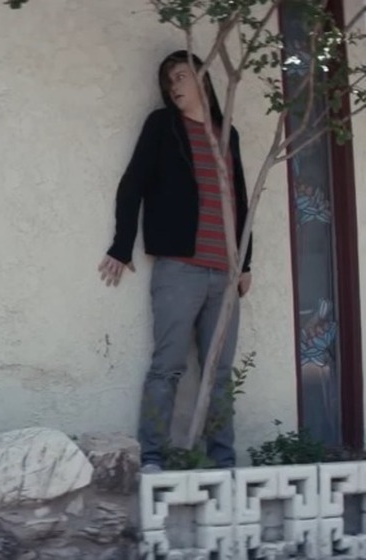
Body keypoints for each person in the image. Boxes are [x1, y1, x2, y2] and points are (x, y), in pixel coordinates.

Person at [98, 50, 254, 473]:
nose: (175, 86)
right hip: (179, 269)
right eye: (169, 81)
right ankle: (152, 456)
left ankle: (223, 461)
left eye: (182, 76)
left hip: (224, 272)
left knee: (218, 373)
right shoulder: (163, 126)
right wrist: (121, 244)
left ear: (202, 79)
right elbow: (133, 184)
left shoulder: (227, 134)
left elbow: (240, 200)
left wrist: (246, 263)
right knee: (167, 367)